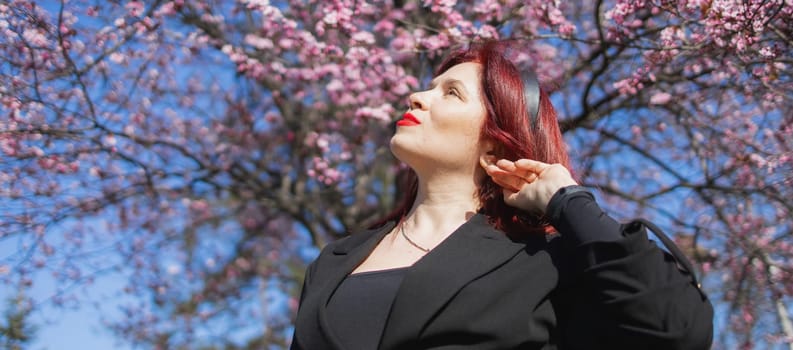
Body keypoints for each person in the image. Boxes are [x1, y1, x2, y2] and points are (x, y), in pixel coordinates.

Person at [290, 41, 714, 350]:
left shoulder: (542, 261)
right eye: (430, 86)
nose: (417, 96)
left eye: (450, 92)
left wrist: (568, 202)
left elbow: (678, 328)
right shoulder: (334, 261)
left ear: (494, 146)